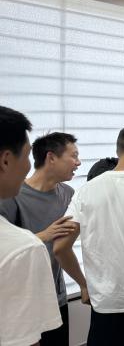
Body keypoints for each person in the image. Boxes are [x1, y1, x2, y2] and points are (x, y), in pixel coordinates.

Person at [54, 124, 124, 346]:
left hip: (105, 302)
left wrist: (84, 285)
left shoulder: (86, 190)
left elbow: (60, 247)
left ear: (118, 150)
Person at [0, 131, 82, 346]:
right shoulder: (11, 195)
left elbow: (63, 247)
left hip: (56, 296)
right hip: (22, 301)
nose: (79, 162)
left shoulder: (68, 193)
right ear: (51, 157)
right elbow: (5, 248)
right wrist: (43, 236)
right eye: (74, 156)